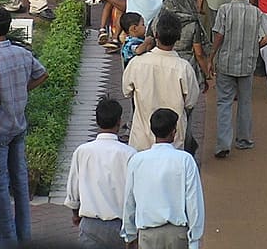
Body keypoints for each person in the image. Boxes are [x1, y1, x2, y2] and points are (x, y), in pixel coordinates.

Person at [0, 6, 47, 245]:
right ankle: (24, 236)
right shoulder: (22, 53)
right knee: (20, 182)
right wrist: (22, 90)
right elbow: (42, 74)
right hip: (18, 125)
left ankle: (5, 240)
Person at [121, 107, 204, 249]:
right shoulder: (185, 160)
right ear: (174, 132)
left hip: (147, 234)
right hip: (177, 233)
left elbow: (129, 200)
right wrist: (195, 238)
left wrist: (130, 235)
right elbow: (193, 201)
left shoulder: (137, 160)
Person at [208, 0, 267, 156]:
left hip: (226, 62)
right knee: (245, 102)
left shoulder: (224, 10)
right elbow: (266, 38)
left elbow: (219, 35)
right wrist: (253, 47)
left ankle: (223, 144)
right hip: (247, 64)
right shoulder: (256, 12)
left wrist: (211, 56)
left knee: (224, 102)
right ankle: (244, 139)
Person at [64, 96, 135, 249]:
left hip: (90, 224)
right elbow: (134, 194)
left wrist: (75, 214)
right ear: (119, 122)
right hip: (120, 226)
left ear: (97, 121)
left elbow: (73, 191)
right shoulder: (129, 154)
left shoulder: (82, 151)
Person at [122, 12, 199, 151]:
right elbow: (190, 102)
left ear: (156, 35)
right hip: (173, 143)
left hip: (141, 140)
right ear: (178, 37)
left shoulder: (137, 63)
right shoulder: (184, 68)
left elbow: (126, 91)